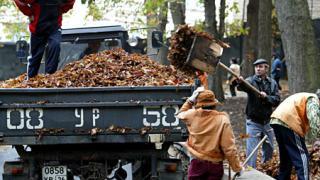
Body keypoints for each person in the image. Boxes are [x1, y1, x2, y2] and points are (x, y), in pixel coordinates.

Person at [177, 87, 243, 179]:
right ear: (214, 104)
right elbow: (229, 148)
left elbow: (180, 113)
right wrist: (237, 168)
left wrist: (190, 100)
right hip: (215, 165)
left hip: (196, 163)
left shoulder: (192, 115)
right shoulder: (223, 120)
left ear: (199, 104)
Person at [236, 59, 280, 168]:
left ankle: (266, 168)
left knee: (269, 148)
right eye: (256, 67)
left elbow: (277, 100)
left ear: (266, 68)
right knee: (252, 150)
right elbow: (242, 87)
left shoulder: (272, 83)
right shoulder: (250, 81)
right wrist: (240, 82)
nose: (258, 69)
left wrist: (267, 98)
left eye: (261, 67)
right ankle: (251, 173)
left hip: (267, 122)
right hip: (253, 122)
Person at [14, 0, 75, 78]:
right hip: (37, 29)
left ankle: (50, 76)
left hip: (54, 27)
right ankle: (30, 79)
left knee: (55, 45)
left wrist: (61, 10)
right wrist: (29, 12)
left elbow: (70, 2)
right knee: (36, 55)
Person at [270, 90, 320, 180]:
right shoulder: (314, 99)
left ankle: (283, 178)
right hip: (289, 122)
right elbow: (314, 120)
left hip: (276, 120)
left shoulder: (304, 97)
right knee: (302, 156)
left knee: (286, 155)